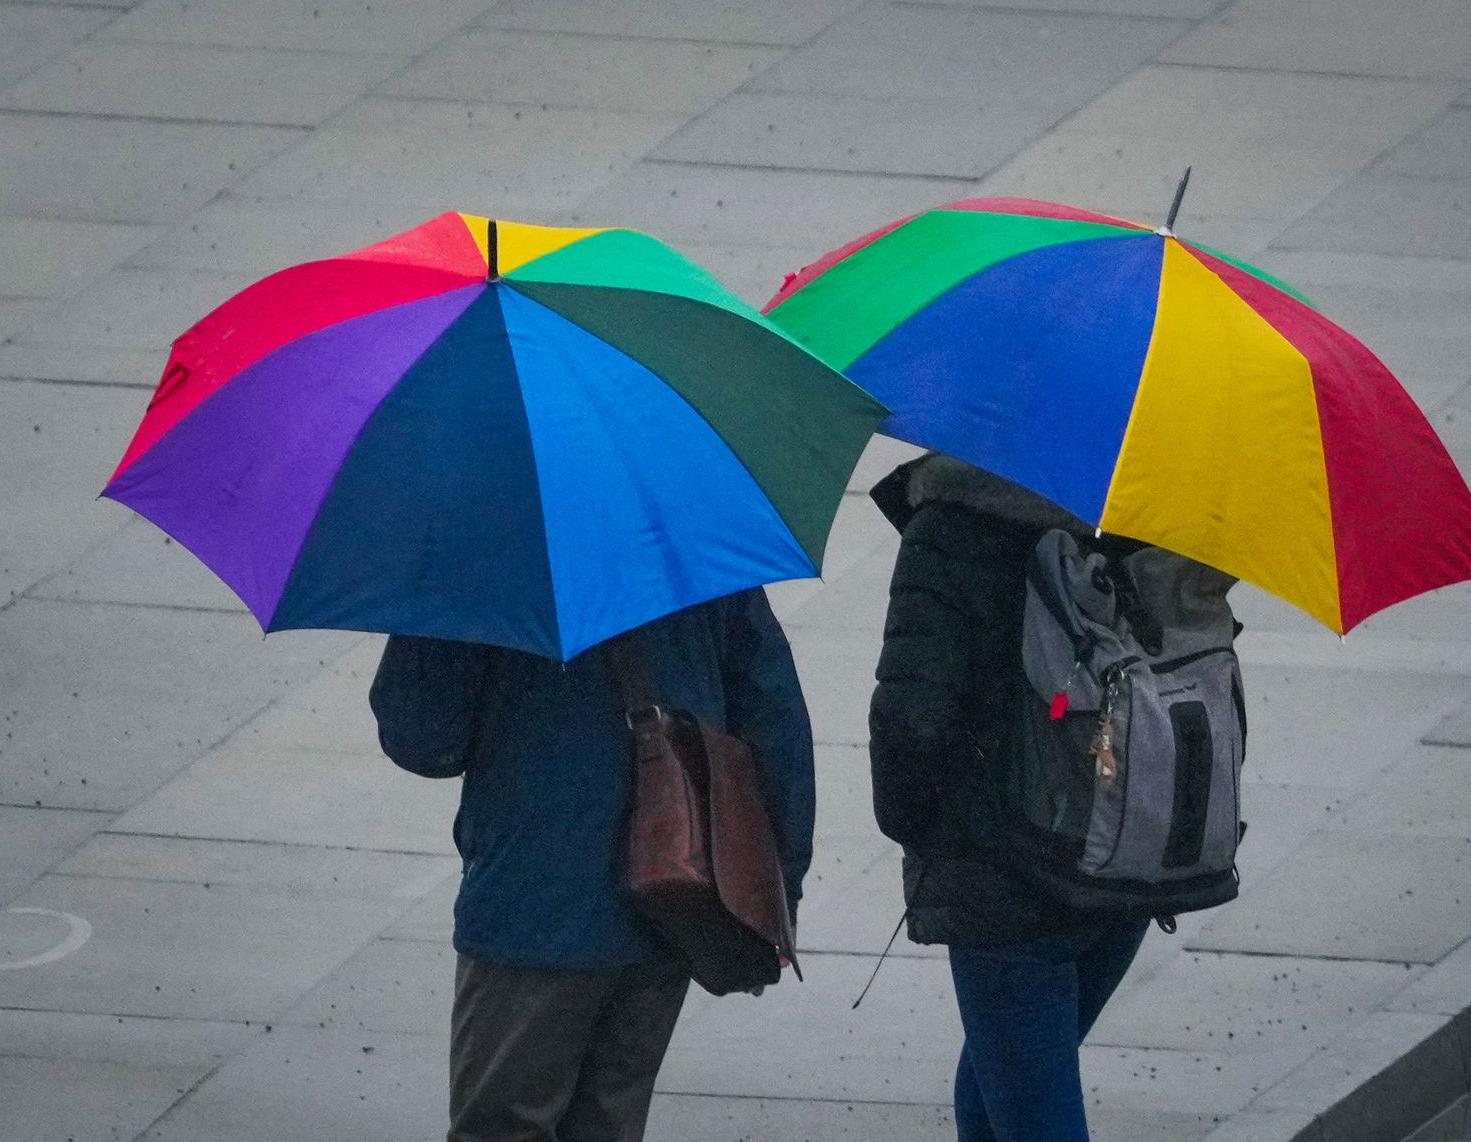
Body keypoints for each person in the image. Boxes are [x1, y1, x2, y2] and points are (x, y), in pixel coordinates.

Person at [369, 590, 813, 1142]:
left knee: (504, 1126)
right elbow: (775, 720)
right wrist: (774, 896)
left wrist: (427, 611)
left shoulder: (485, 565)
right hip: (675, 894)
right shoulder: (698, 551)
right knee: (609, 1121)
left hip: (536, 902)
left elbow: (423, 738)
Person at [868, 453, 1149, 1142]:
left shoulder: (951, 526)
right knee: (1003, 1085)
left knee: (1025, 1100)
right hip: (1128, 850)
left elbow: (909, 720)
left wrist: (916, 829)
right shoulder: (1147, 516)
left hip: (1004, 873)